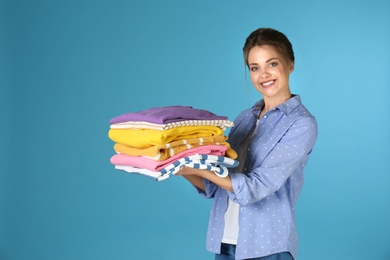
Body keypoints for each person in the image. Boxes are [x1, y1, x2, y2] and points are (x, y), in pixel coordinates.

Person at [176, 28, 318, 260]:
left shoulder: (301, 124)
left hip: (268, 248)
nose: (263, 74)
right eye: (255, 68)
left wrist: (200, 168)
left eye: (272, 64)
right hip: (225, 243)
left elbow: (257, 187)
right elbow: (216, 184)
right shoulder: (245, 118)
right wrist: (180, 165)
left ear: (290, 64)